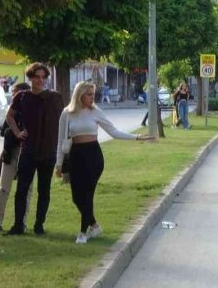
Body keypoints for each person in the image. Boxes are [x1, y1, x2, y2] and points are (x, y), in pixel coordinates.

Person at [56, 82, 152, 244]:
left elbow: (113, 131)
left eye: (94, 94)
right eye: (89, 94)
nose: (92, 97)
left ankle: (82, 233)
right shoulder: (67, 113)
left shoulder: (96, 112)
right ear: (79, 95)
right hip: (76, 156)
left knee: (88, 194)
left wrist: (137, 137)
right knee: (76, 197)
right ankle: (94, 225)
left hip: (93, 156)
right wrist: (58, 165)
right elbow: (60, 141)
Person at [4, 63, 64, 236]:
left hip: (48, 150)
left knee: (44, 190)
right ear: (30, 78)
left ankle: (39, 225)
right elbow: (9, 116)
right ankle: (18, 225)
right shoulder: (22, 96)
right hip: (28, 149)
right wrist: (17, 132)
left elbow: (64, 119)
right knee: (21, 189)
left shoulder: (54, 97)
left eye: (43, 77)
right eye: (37, 77)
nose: (40, 80)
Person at [0, 82, 33, 233]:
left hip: (28, 154)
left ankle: (22, 222)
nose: (14, 96)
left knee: (26, 190)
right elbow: (4, 131)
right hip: (11, 153)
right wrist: (16, 130)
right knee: (3, 188)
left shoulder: (33, 111)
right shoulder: (13, 113)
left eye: (16, 92)